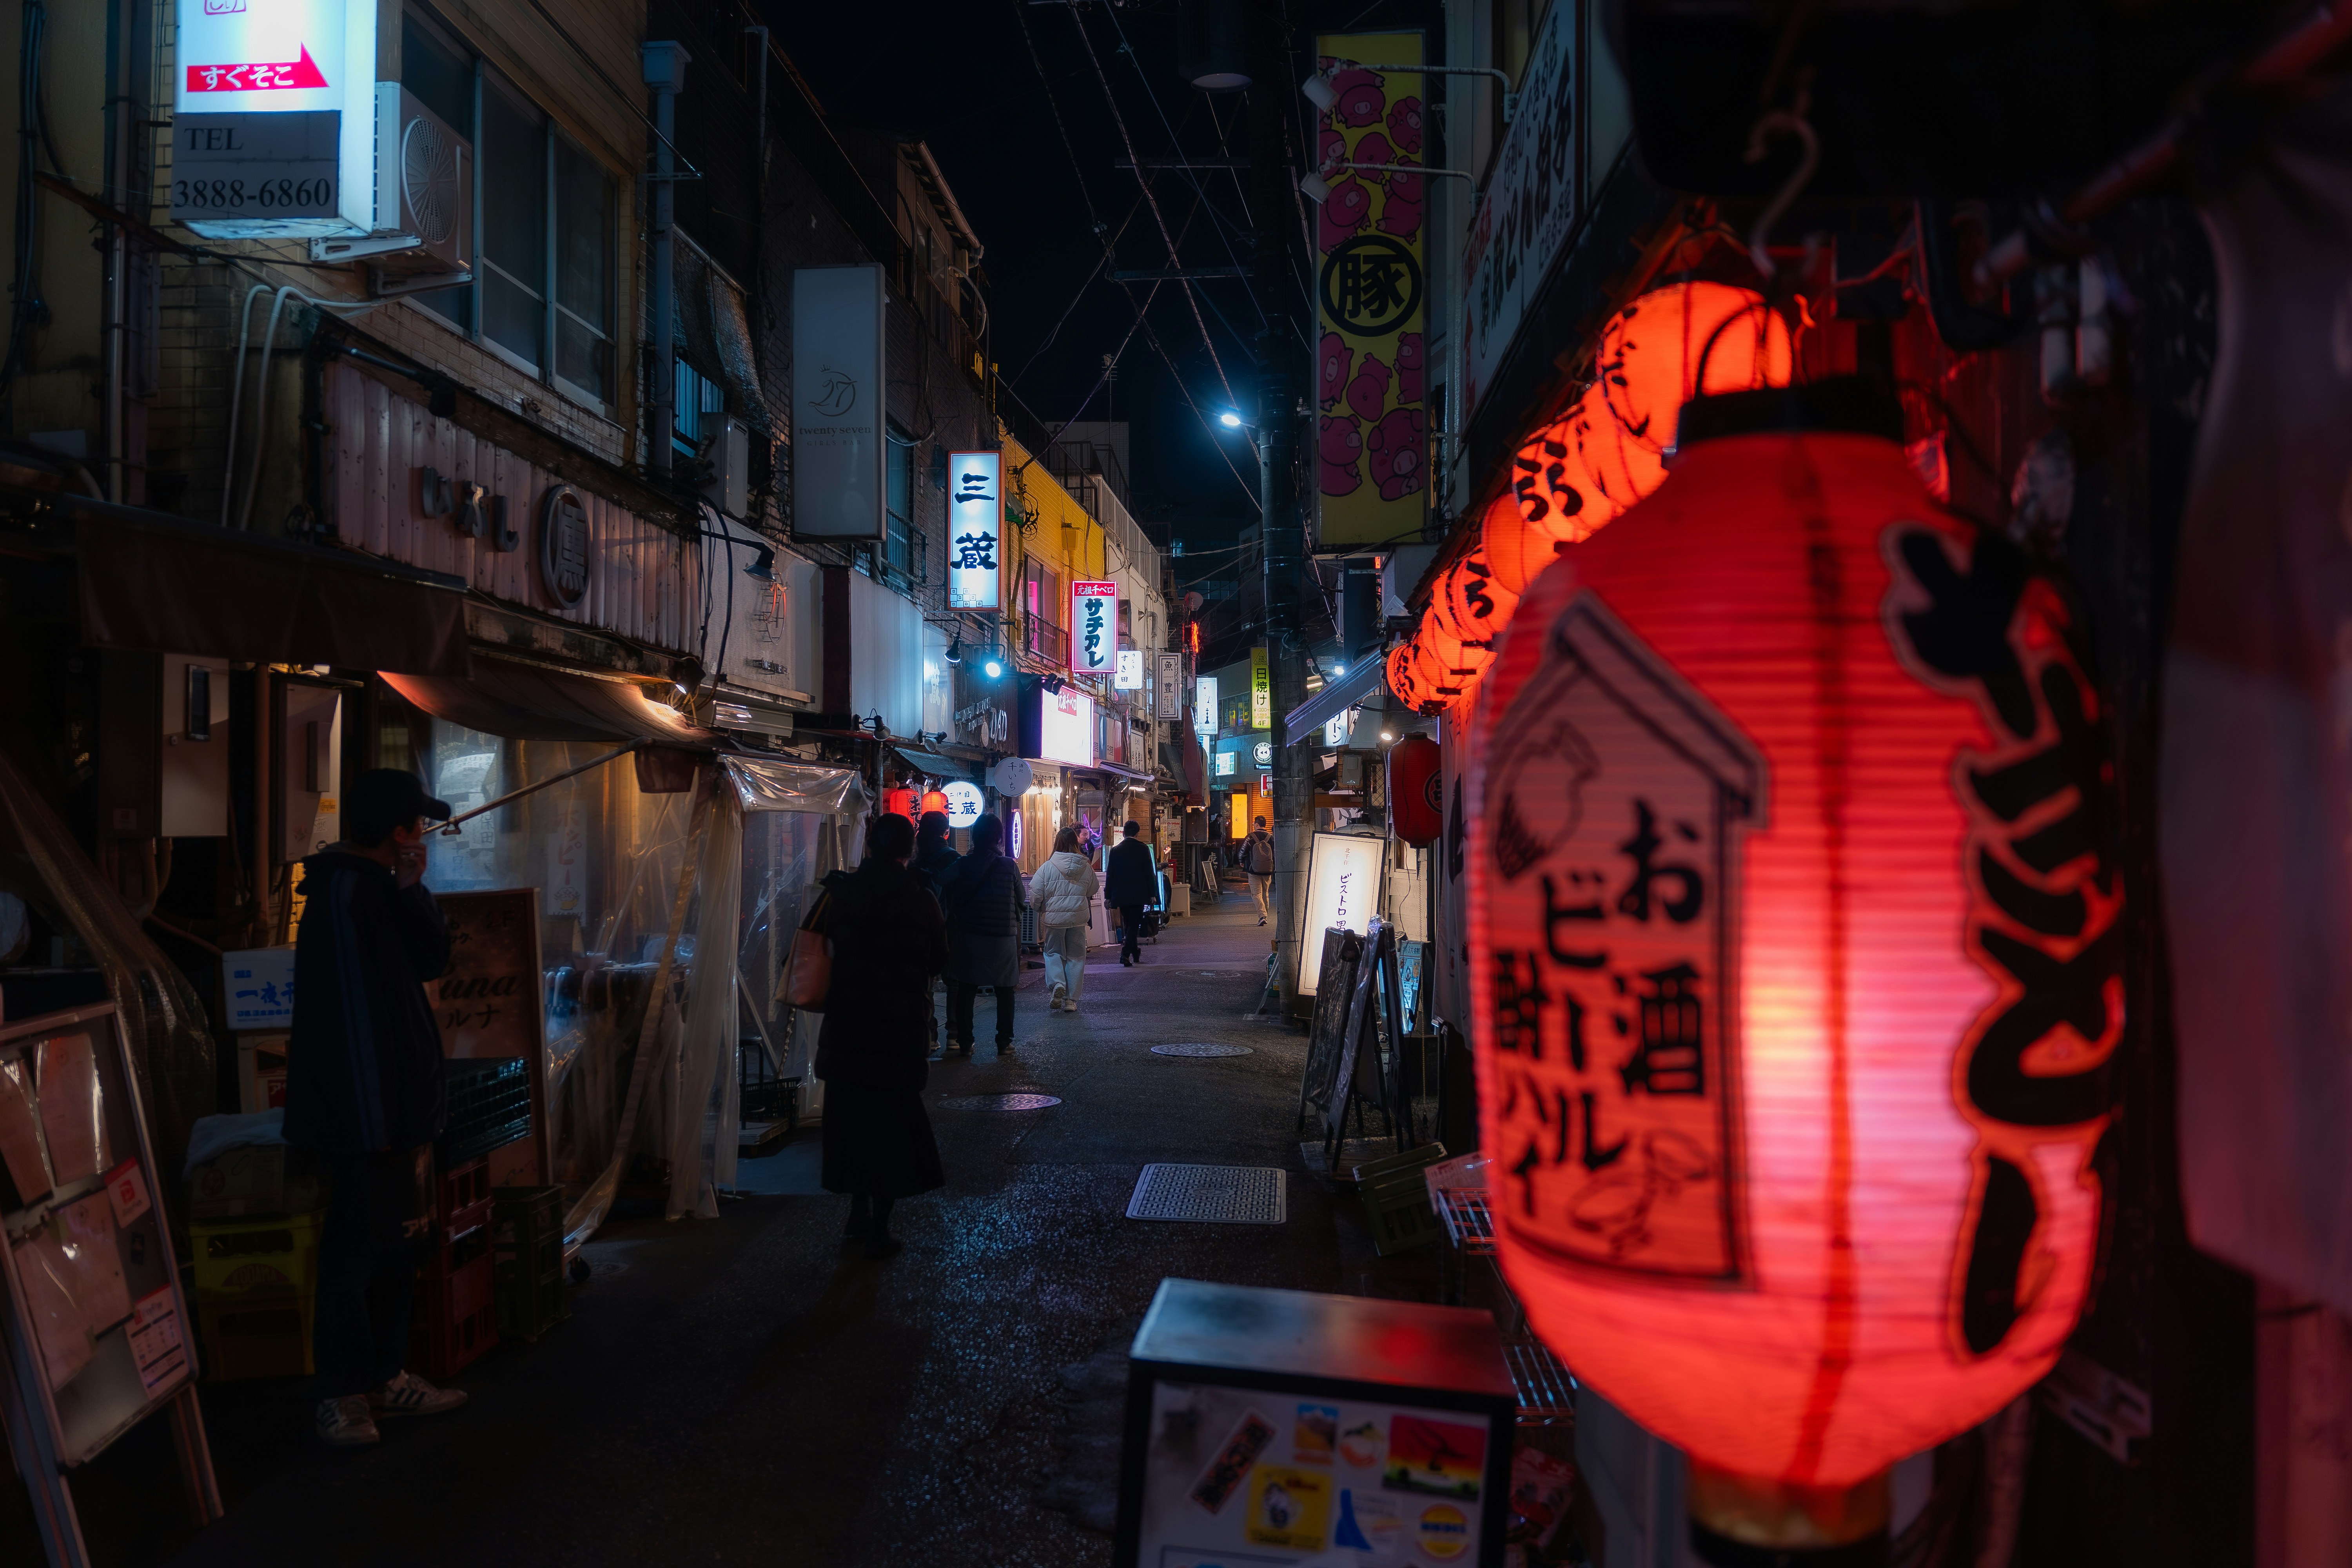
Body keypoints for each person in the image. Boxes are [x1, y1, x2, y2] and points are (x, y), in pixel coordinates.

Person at [283, 768, 467, 1449]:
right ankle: (341, 1394)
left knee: (396, 1249)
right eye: (418, 823)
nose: (423, 833)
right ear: (400, 830)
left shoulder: (384, 887)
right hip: (370, 1119)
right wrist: (376, 1126)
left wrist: (414, 890)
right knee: (353, 1255)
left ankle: (384, 1377)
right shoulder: (342, 893)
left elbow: (431, 960)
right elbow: (349, 1021)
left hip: (401, 1112)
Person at [815, 813, 947, 1260]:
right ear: (908, 849)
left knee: (850, 1121)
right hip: (899, 1029)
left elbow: (814, 951)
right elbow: (939, 960)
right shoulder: (922, 898)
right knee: (891, 1127)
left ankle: (857, 1211)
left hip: (848, 1027)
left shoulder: (840, 894)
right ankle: (880, 1228)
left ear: (869, 846)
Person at [939, 813, 1024, 1056]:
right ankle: (1004, 1042)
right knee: (1005, 990)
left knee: (967, 988)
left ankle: (965, 1042)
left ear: (975, 837)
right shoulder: (1009, 865)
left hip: (971, 937)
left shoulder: (964, 864)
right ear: (998, 838)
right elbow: (1021, 898)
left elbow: (942, 880)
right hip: (1003, 938)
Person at [1029, 825, 1100, 1013]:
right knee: (1076, 957)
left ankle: (1058, 984)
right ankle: (1071, 1001)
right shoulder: (1085, 866)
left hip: (1054, 919)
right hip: (1078, 917)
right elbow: (1093, 889)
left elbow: (1035, 894)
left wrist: (1041, 908)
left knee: (1053, 953)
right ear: (1075, 842)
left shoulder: (1047, 867)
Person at [1104, 819, 1158, 967]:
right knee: (1134, 925)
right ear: (1138, 833)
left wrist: (1108, 896)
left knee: (1129, 925)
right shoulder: (1143, 849)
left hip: (1121, 895)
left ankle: (1135, 951)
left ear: (1123, 833)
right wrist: (1153, 894)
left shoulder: (1116, 850)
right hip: (1139, 894)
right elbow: (1149, 873)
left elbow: (1110, 875)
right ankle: (1125, 954)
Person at [913, 808, 960, 892]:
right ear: (945, 832)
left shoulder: (907, 852)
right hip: (938, 904)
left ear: (921, 827)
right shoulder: (954, 858)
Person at [1244, 815, 1276, 926]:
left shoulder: (1250, 837)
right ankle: (1265, 915)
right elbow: (1276, 852)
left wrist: (1241, 861)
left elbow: (1242, 851)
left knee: (1257, 894)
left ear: (1257, 824)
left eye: (1254, 823)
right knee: (1265, 893)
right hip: (1268, 870)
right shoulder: (1271, 838)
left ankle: (1263, 916)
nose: (1254, 825)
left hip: (1254, 871)